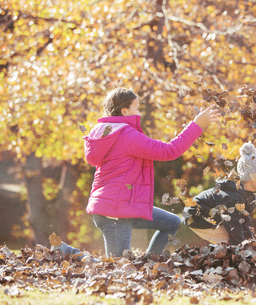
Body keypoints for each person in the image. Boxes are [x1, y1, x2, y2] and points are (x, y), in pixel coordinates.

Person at [83, 87, 219, 257]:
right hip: (114, 211)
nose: (139, 113)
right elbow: (169, 151)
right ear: (125, 111)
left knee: (172, 223)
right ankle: (70, 253)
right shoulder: (125, 135)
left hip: (121, 205)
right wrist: (197, 125)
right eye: (137, 108)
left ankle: (149, 262)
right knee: (118, 267)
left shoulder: (104, 131)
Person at [182, 142, 256, 245]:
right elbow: (234, 227)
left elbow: (245, 221)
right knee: (229, 239)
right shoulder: (233, 197)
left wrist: (251, 240)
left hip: (210, 215)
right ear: (252, 177)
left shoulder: (248, 195)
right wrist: (244, 247)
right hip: (195, 214)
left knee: (238, 238)